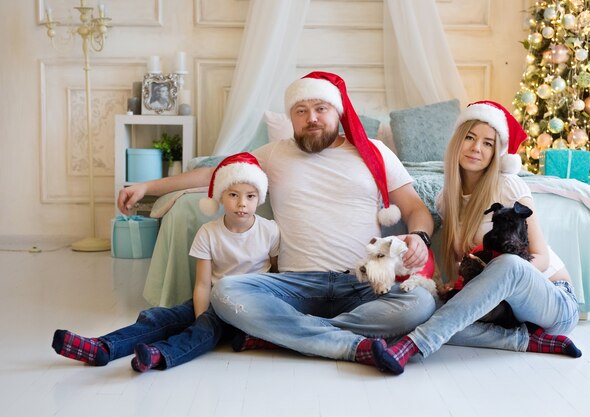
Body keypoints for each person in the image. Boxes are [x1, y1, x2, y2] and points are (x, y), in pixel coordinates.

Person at [118, 71, 437, 367]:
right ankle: (348, 344)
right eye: (301, 111)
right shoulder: (273, 154)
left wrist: (419, 238)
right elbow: (213, 173)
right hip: (295, 287)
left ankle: (292, 335)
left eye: (321, 108)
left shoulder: (375, 152)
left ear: (337, 112)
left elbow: (414, 209)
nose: (311, 118)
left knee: (420, 303)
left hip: (363, 284)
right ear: (291, 118)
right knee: (227, 291)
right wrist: (147, 187)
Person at [368, 100, 582, 375]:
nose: (476, 148)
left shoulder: (509, 186)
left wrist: (494, 280)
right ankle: (527, 340)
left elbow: (538, 256)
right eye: (469, 137)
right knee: (433, 312)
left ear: (496, 153)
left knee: (507, 264)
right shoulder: (446, 200)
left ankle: (413, 346)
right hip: (507, 317)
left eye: (488, 143)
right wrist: (459, 287)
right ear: (457, 141)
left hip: (552, 301)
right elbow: (467, 264)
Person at [52, 153, 280, 372]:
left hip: (249, 305)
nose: (242, 203)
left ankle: (158, 354)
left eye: (250, 196)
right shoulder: (208, 233)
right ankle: (103, 347)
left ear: (259, 198)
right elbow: (202, 285)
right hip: (215, 300)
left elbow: (277, 278)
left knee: (206, 332)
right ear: (220, 196)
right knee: (163, 317)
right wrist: (201, 318)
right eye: (233, 195)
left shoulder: (269, 230)